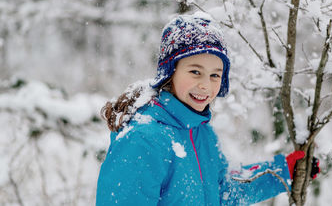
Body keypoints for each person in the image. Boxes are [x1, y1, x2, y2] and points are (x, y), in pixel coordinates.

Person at [96, 13, 319, 205]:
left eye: (215, 75)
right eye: (195, 71)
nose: (205, 84)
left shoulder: (201, 133)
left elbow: (223, 193)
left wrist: (282, 173)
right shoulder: (143, 140)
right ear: (170, 72)